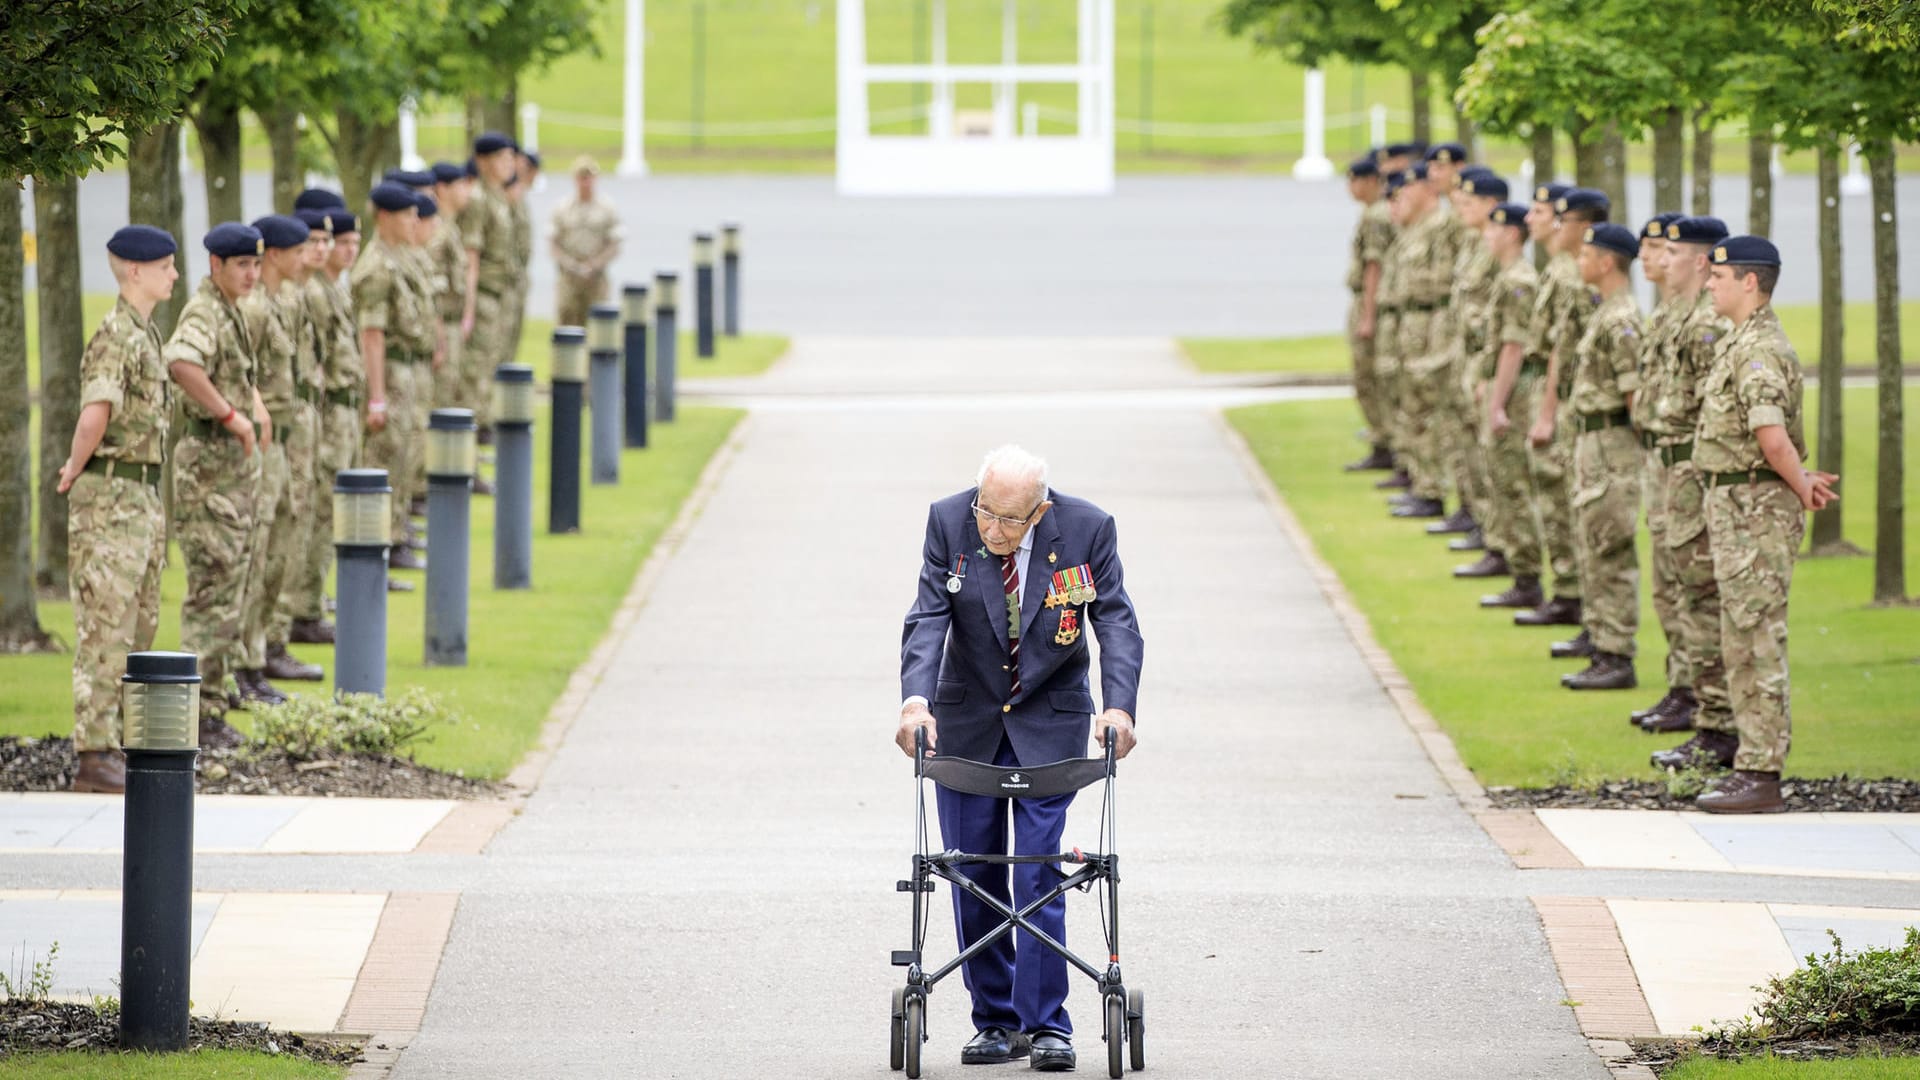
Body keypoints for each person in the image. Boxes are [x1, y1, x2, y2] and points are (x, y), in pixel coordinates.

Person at [896, 445, 1144, 1073]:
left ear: (1040, 510)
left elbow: (1115, 622)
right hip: (966, 719)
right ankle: (997, 1022)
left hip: (1050, 722)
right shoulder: (948, 520)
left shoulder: (1089, 528)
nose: (993, 530)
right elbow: (927, 616)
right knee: (972, 870)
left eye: (1010, 520)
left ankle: (1048, 1025)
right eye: (987, 513)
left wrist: (1120, 707)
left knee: (1037, 872)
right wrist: (914, 702)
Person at [1679, 237, 1836, 813]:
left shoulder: (1759, 350)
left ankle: (1762, 772)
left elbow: (1771, 437)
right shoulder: (1739, 342)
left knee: (1756, 639)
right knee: (1739, 636)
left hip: (1754, 512)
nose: (1709, 282)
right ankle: (1750, 762)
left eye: (1720, 275)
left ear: (1750, 282)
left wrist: (1800, 485)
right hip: (1735, 508)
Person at [60, 225, 179, 793]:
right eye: (165, 267)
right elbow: (96, 411)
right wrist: (73, 467)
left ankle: (121, 742)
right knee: (106, 626)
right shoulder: (116, 335)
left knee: (140, 622)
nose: (174, 276)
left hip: (139, 497)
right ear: (135, 271)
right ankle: (94, 754)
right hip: (110, 497)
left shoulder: (144, 333)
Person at [166, 222, 268, 748]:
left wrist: (252, 407)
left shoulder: (231, 310)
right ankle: (198, 716)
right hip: (208, 469)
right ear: (216, 265)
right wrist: (230, 414)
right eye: (242, 265)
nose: (252, 273)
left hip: (229, 469)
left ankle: (213, 705)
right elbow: (181, 361)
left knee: (231, 590)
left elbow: (235, 374)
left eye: (256, 264)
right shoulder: (204, 311)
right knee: (212, 593)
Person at [1649, 216, 1740, 761]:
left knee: (1702, 596)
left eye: (1674, 252)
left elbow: (1716, 410)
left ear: (1701, 260)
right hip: (1674, 468)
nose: (1663, 259)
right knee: (1681, 591)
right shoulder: (1683, 317)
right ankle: (1698, 706)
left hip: (1694, 471)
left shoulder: (1707, 326)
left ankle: (1716, 728)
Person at [1559, 223, 1645, 690]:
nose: (1580, 261)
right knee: (1593, 543)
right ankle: (1600, 640)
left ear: (1607, 261)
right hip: (1593, 443)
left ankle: (1616, 654)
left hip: (1612, 447)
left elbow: (1636, 400)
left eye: (1587, 254)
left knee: (1610, 548)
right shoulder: (1605, 312)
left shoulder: (1621, 320)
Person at [1511, 185, 1599, 635]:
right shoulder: (1559, 270)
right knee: (1552, 495)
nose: (1538, 221)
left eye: (1557, 217)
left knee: (1562, 498)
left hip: (1563, 399)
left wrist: (1548, 412)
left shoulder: (1570, 276)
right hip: (1551, 393)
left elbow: (1564, 351)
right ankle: (1567, 591)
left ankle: (1573, 595)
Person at [245, 214, 327, 688]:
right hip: (261, 440)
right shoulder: (253, 308)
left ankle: (267, 648)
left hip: (288, 433)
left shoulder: (288, 300)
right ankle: (249, 657)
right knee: (260, 550)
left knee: (283, 544)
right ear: (273, 254)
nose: (308, 257)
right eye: (299, 250)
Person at [354, 181, 435, 569]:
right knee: (386, 455)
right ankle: (381, 542)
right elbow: (372, 335)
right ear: (384, 217)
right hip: (390, 370)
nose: (414, 221)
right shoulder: (376, 267)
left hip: (409, 367)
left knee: (406, 450)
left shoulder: (401, 257)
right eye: (406, 214)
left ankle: (397, 531)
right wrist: (377, 395)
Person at [1475, 202, 1549, 609]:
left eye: (1495, 229)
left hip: (1516, 392)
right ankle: (1519, 568)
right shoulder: (1507, 277)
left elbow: (1513, 346)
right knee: (1502, 479)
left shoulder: (1518, 280)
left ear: (1512, 234)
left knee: (1514, 482)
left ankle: (1527, 575)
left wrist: (1497, 402)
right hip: (1504, 386)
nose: (1487, 234)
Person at [1385, 163, 1460, 521]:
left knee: (1431, 405)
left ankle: (1432, 487)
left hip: (1433, 319)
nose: (1405, 195)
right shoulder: (1415, 228)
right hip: (1412, 320)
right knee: (1413, 403)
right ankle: (1421, 480)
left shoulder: (1441, 226)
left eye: (1411, 188)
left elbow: (1447, 277)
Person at [458, 133, 520, 442]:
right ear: (483, 161)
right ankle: (470, 442)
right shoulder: (479, 200)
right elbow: (472, 256)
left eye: (511, 157)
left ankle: (478, 435)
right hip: (482, 295)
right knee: (474, 373)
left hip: (499, 295)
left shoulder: (498, 197)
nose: (509, 164)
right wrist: (468, 308)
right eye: (501, 157)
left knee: (488, 367)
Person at [1343, 155, 1395, 472]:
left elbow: (1374, 266)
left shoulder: (1376, 216)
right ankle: (1382, 441)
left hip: (1368, 300)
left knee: (1369, 377)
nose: (1351, 188)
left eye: (1356, 180)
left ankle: (1384, 442)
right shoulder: (1373, 213)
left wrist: (1368, 315)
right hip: (1363, 298)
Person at [551, 155, 624, 330]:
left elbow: (615, 243)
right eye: (582, 178)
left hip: (596, 279)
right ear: (575, 179)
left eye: (589, 177)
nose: (586, 182)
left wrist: (595, 264)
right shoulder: (562, 208)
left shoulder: (607, 208)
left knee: (599, 328)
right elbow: (553, 243)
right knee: (567, 327)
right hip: (569, 278)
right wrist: (571, 265)